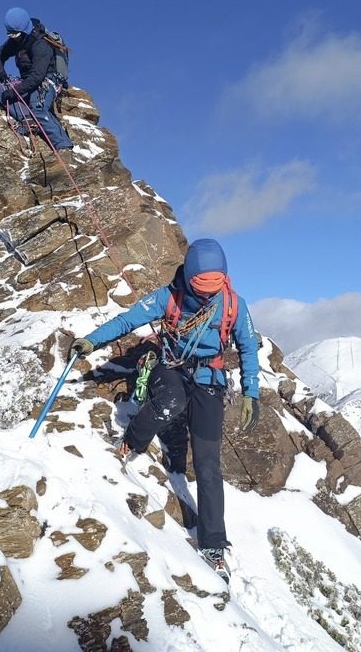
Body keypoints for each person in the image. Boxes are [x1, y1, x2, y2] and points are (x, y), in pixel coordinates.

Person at [69, 238, 261, 579]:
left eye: (212, 288)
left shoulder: (233, 305)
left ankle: (213, 543)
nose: (206, 295)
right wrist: (91, 340)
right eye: (200, 287)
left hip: (209, 377)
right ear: (188, 277)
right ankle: (132, 440)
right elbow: (128, 321)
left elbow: (248, 348)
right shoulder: (168, 297)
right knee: (170, 402)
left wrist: (251, 393)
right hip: (171, 365)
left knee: (207, 463)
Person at [0, 7, 73, 151]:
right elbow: (0, 54)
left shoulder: (40, 45)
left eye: (14, 34)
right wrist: (0, 70)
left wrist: (15, 91)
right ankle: (28, 119)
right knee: (0, 92)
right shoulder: (18, 40)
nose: (12, 38)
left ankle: (64, 146)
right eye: (9, 34)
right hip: (29, 80)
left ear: (23, 30)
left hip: (47, 80)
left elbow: (37, 77)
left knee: (38, 107)